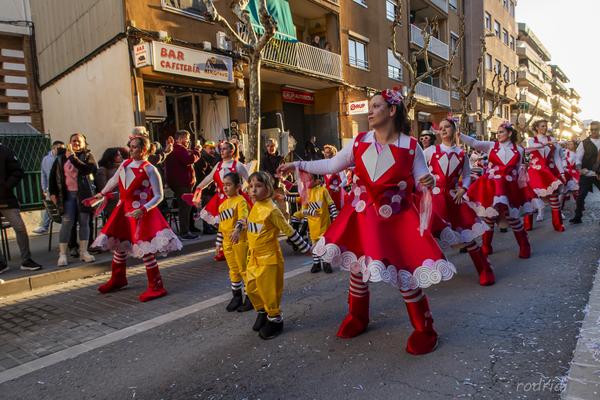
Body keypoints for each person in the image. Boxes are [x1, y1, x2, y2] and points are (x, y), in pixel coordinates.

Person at [278, 88, 453, 355]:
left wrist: (428, 181)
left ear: (392, 111)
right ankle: (358, 317)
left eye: (376, 106)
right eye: (369, 107)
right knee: (358, 269)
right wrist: (298, 165)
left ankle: (424, 328)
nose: (369, 112)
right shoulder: (359, 141)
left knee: (405, 274)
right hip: (363, 218)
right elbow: (331, 165)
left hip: (397, 221)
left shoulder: (410, 145)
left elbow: (422, 178)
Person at [93, 135, 182, 301]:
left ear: (144, 149)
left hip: (141, 213)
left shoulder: (149, 169)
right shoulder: (125, 164)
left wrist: (144, 209)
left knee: (145, 249)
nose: (131, 149)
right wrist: (102, 193)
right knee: (119, 244)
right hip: (123, 210)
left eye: (135, 146)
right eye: (131, 146)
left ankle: (156, 286)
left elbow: (159, 196)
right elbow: (114, 180)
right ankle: (117, 279)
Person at [424, 119, 495, 286]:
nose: (443, 130)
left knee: (466, 236)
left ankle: (485, 269)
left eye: (447, 126)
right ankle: (423, 273)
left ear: (455, 129)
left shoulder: (462, 154)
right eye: (440, 128)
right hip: (433, 199)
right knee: (427, 236)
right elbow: (418, 170)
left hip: (453, 198)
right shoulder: (430, 151)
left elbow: (468, 175)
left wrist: (464, 189)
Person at [244, 171, 310, 340]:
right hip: (253, 257)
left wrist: (306, 248)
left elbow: (289, 230)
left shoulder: (272, 210)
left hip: (269, 258)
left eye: (258, 186)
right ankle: (262, 311)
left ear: (269, 189)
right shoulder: (255, 205)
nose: (253, 190)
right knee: (251, 288)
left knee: (269, 292)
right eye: (251, 186)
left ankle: (274, 319)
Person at [459, 122, 533, 259]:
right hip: (492, 186)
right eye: (497, 133)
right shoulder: (491, 146)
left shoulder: (520, 150)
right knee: (490, 215)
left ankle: (524, 245)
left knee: (513, 217)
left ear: (509, 133)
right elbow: (474, 143)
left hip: (510, 187)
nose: (498, 135)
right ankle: (486, 246)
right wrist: (459, 134)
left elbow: (518, 169)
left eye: (501, 132)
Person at [49, 133, 98, 267]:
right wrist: (53, 194)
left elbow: (89, 170)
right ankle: (63, 254)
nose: (76, 143)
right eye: (73, 141)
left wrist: (73, 158)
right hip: (67, 196)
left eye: (79, 141)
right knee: (67, 222)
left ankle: (84, 252)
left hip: (84, 195)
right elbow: (53, 177)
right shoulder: (60, 158)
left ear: (84, 143)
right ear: (69, 142)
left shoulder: (88, 156)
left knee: (84, 222)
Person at [0, 144, 43, 274]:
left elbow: (17, 171)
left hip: (5, 198)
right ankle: (1, 264)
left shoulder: (4, 151)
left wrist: (5, 187)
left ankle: (26, 260)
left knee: (19, 228)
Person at [286, 174, 338, 273]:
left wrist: (335, 217)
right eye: (305, 181)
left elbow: (331, 204)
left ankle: (326, 263)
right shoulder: (307, 193)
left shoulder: (323, 190)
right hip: (312, 226)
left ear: (316, 180)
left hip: (324, 225)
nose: (306, 183)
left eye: (309, 180)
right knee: (314, 244)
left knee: (324, 244)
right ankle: (316, 263)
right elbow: (300, 203)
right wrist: (285, 198)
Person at [216, 172, 251, 312]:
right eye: (223, 185)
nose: (225, 188)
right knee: (233, 271)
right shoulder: (222, 205)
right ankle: (236, 296)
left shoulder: (241, 201)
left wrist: (237, 229)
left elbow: (243, 217)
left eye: (228, 185)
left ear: (238, 186)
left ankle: (250, 297)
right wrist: (218, 243)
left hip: (240, 241)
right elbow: (221, 227)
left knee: (244, 270)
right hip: (227, 243)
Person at [524, 119, 565, 232]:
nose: (544, 128)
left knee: (554, 197)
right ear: (536, 127)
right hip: (535, 172)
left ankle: (558, 224)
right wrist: (546, 143)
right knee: (531, 197)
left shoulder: (552, 139)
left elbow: (557, 158)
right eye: (542, 126)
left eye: (546, 126)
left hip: (549, 171)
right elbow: (535, 146)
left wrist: (561, 172)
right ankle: (527, 224)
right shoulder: (532, 140)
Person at [165, 130, 201, 240]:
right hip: (182, 183)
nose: (189, 140)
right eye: (187, 138)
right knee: (185, 207)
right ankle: (184, 232)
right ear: (180, 139)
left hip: (182, 183)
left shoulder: (179, 149)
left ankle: (190, 228)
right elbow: (189, 160)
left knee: (188, 206)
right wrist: (197, 151)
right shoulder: (178, 149)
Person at [570, 121, 600, 224]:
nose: (593, 131)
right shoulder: (584, 143)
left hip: (599, 173)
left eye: (596, 129)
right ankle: (578, 216)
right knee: (581, 195)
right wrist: (580, 169)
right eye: (592, 129)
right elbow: (578, 158)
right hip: (586, 173)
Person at [34, 141, 65, 234]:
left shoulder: (63, 158)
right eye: (59, 148)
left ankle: (46, 226)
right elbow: (43, 174)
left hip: (62, 187)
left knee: (62, 206)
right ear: (53, 148)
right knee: (49, 207)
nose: (61, 150)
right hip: (50, 188)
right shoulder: (46, 159)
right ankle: (44, 226)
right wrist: (44, 188)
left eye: (63, 148)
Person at [96, 148, 124, 216]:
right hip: (112, 202)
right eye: (118, 155)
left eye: (120, 155)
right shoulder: (103, 170)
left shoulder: (122, 167)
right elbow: (103, 187)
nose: (121, 157)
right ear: (111, 157)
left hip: (123, 200)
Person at [322, 144, 348, 211]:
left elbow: (345, 180)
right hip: (327, 193)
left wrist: (338, 187)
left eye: (327, 152)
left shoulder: (338, 165)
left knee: (337, 213)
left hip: (336, 194)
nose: (325, 154)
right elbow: (326, 182)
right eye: (325, 152)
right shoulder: (324, 166)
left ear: (332, 154)